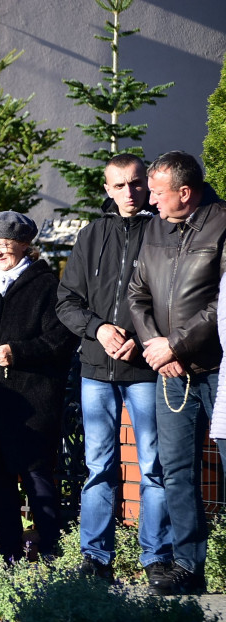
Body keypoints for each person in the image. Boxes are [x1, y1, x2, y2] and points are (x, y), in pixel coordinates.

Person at [56, 154, 172, 584]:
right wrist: (99, 329)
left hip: (145, 370)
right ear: (106, 189)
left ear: (147, 184)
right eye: (119, 185)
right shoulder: (90, 236)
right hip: (95, 369)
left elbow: (175, 304)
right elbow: (67, 301)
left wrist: (142, 343)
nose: (129, 193)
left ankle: (156, 559)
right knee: (98, 466)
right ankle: (95, 560)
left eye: (136, 184)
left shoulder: (165, 233)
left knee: (154, 467)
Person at [0, 212, 77, 561]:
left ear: (23, 245)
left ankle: (51, 550)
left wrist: (17, 352)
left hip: (33, 399)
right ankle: (9, 553)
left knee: (37, 477)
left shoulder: (47, 286)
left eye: (3, 245)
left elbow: (61, 338)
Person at [129, 151, 226, 595]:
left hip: (218, 368)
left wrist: (178, 343)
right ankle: (189, 566)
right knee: (176, 470)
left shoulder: (223, 222)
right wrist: (158, 348)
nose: (149, 201)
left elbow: (221, 305)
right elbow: (137, 295)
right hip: (171, 370)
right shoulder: (155, 227)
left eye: (157, 192)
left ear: (185, 193)